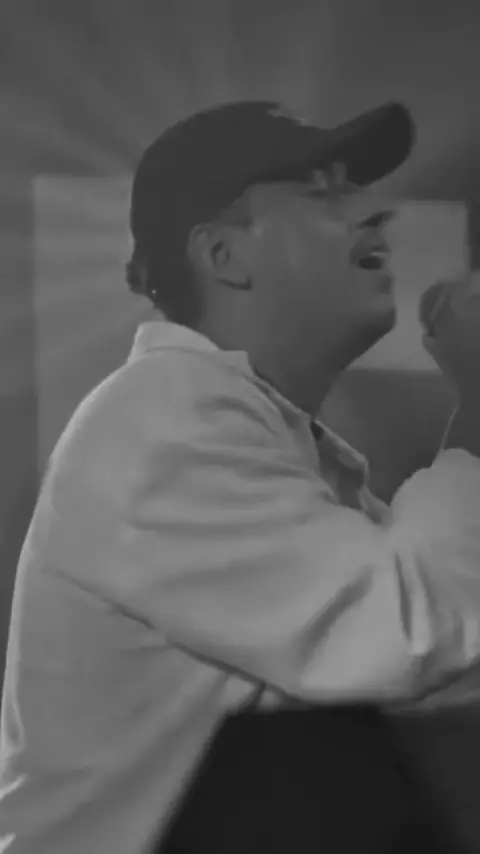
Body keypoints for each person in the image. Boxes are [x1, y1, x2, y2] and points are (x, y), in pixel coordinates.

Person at [1, 99, 480, 854]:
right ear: (225, 256)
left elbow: (442, 640)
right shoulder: (166, 417)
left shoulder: (245, 432)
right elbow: (403, 630)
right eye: (324, 194)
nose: (375, 211)